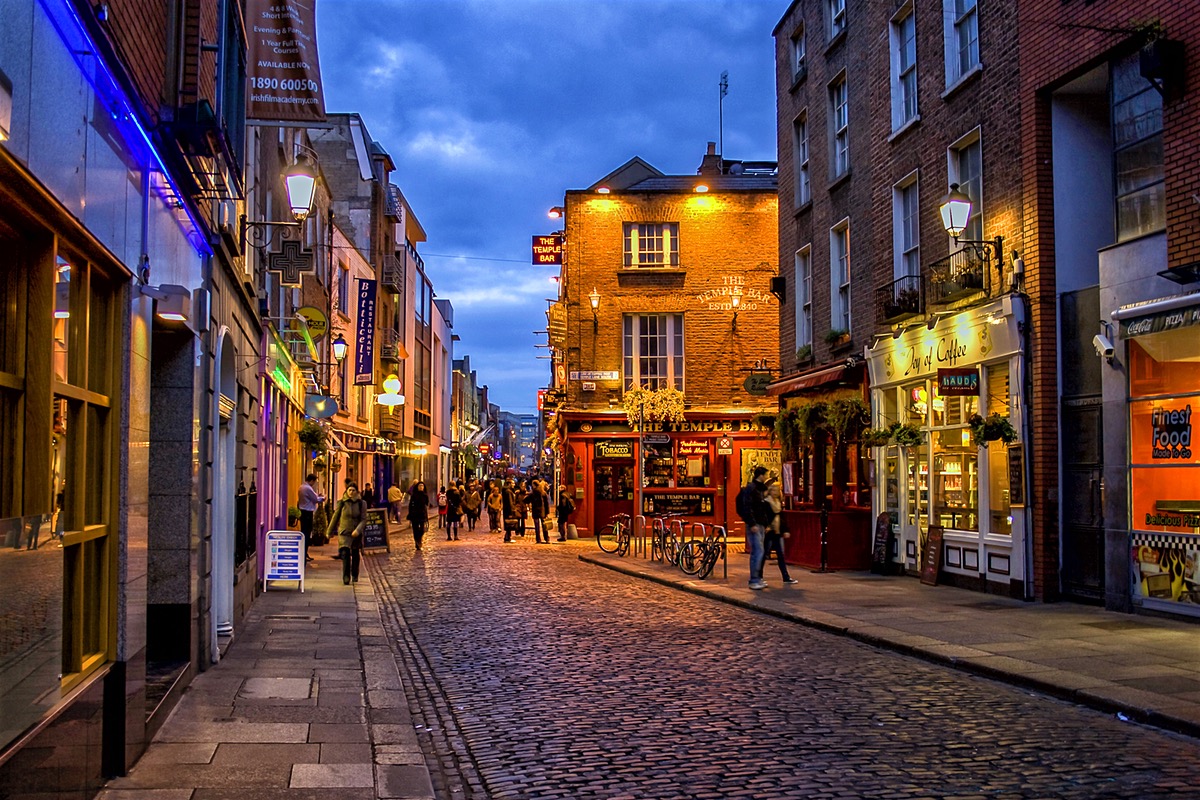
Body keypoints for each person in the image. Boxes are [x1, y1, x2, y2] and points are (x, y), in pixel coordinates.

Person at [736, 465, 773, 590]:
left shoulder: (759, 489)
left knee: (760, 551)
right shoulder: (751, 489)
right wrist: (751, 523)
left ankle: (758, 578)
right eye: (766, 475)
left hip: (760, 523)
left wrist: (765, 523)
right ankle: (754, 579)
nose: (767, 477)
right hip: (755, 524)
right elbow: (747, 506)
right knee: (758, 551)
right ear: (761, 475)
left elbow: (761, 507)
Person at [328, 481, 368, 585]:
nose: (351, 492)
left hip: (355, 533)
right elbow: (335, 517)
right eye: (349, 490)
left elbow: (364, 519)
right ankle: (346, 576)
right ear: (346, 491)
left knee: (355, 553)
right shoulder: (341, 502)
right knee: (345, 553)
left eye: (353, 490)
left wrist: (358, 530)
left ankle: (354, 574)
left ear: (356, 491)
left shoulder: (361, 503)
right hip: (344, 532)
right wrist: (329, 531)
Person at [763, 482, 797, 584]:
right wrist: (766, 526)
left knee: (781, 555)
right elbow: (764, 516)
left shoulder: (778, 503)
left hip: (777, 532)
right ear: (770, 491)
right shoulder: (766, 502)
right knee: (764, 554)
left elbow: (781, 518)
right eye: (773, 490)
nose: (775, 493)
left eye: (777, 491)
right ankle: (758, 576)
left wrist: (786, 530)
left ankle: (786, 577)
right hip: (769, 531)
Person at [297, 473, 324, 564]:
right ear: (312, 480)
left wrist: (317, 496)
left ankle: (304, 553)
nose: (314, 483)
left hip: (303, 511)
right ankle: (304, 554)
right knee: (307, 533)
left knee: (304, 532)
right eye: (314, 481)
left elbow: (312, 497)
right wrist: (323, 498)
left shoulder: (301, 487)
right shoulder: (308, 488)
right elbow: (316, 499)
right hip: (307, 513)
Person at [407, 480, 431, 551]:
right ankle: (417, 543)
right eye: (420, 486)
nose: (421, 487)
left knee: (422, 529)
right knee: (415, 529)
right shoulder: (414, 495)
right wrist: (411, 513)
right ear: (417, 487)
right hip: (415, 514)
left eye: (422, 486)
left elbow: (426, 505)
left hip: (422, 514)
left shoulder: (425, 495)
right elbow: (410, 505)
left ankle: (419, 539)